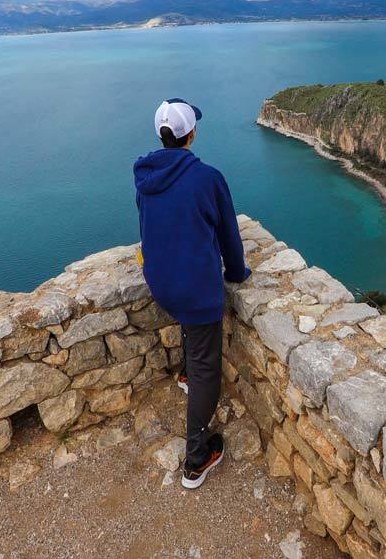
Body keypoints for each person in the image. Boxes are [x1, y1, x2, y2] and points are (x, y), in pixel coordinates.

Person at [133, 98, 251, 489]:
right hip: (195, 290)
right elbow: (229, 236)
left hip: (160, 281)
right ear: (191, 134)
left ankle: (185, 372)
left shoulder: (145, 174)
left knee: (190, 329)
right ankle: (197, 458)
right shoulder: (207, 178)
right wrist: (236, 272)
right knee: (207, 368)